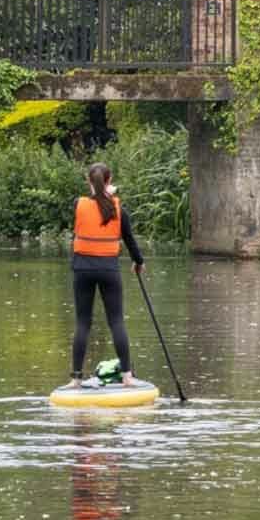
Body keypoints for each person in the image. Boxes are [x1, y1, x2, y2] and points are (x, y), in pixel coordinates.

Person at [70, 162, 145, 385]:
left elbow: (90, 207)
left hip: (82, 269)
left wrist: (102, 193)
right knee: (116, 322)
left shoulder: (78, 204)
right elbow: (129, 240)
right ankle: (127, 376)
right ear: (110, 181)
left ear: (88, 182)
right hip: (108, 270)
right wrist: (138, 262)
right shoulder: (118, 208)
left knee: (83, 323)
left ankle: (75, 380)